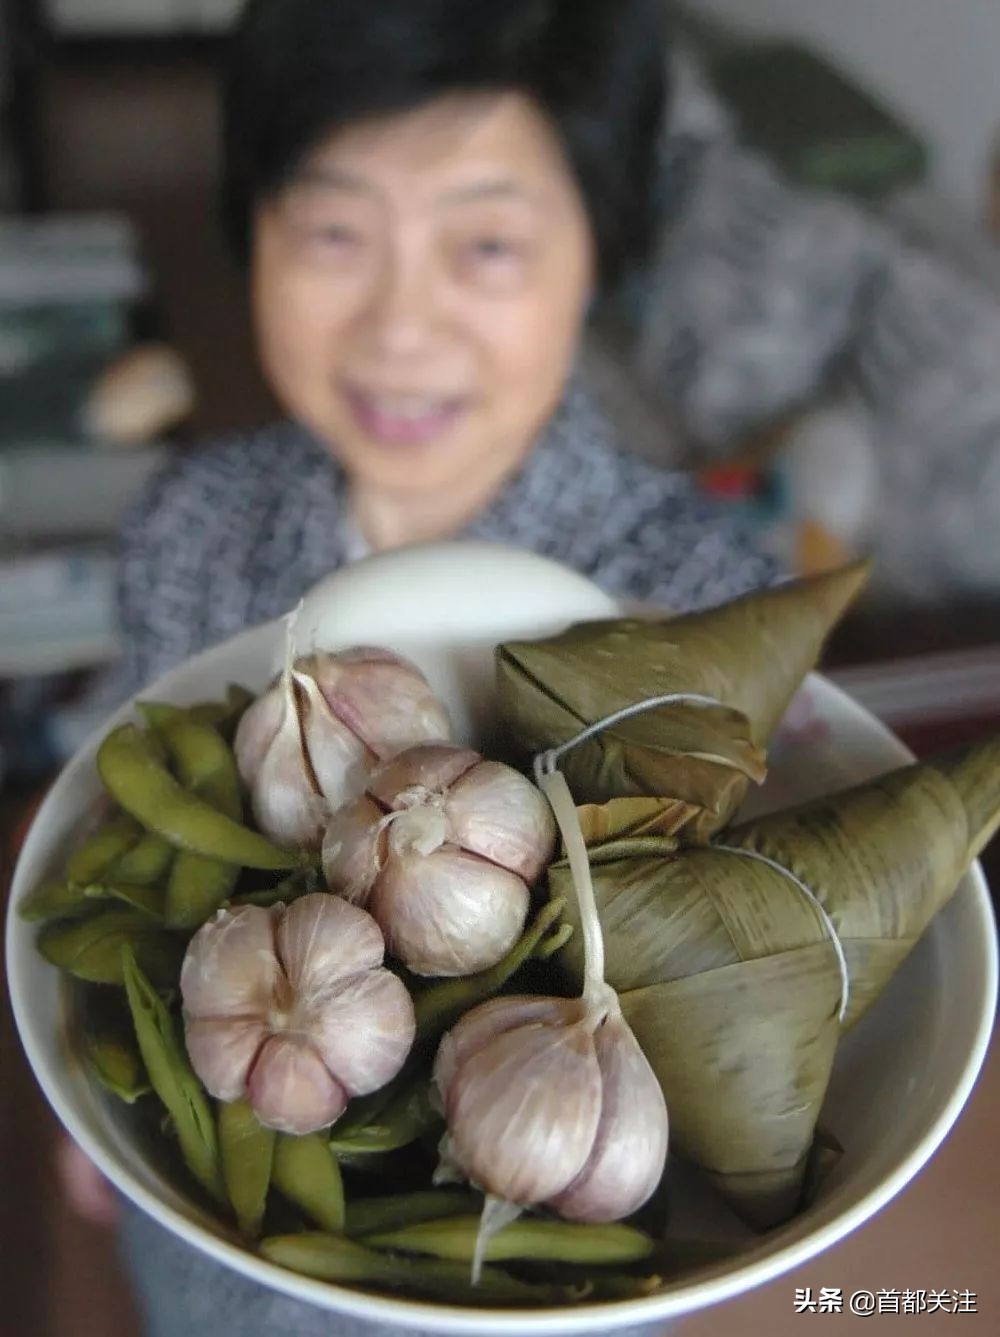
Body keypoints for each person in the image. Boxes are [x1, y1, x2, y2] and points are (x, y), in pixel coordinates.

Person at [59, 0, 1000, 1332]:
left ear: (596, 256)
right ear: (250, 230)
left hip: (545, 1267)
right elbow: (109, 821)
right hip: (212, 1243)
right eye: (335, 232)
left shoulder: (687, 583)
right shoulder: (187, 524)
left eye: (486, 244)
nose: (401, 323)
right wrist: (94, 1108)